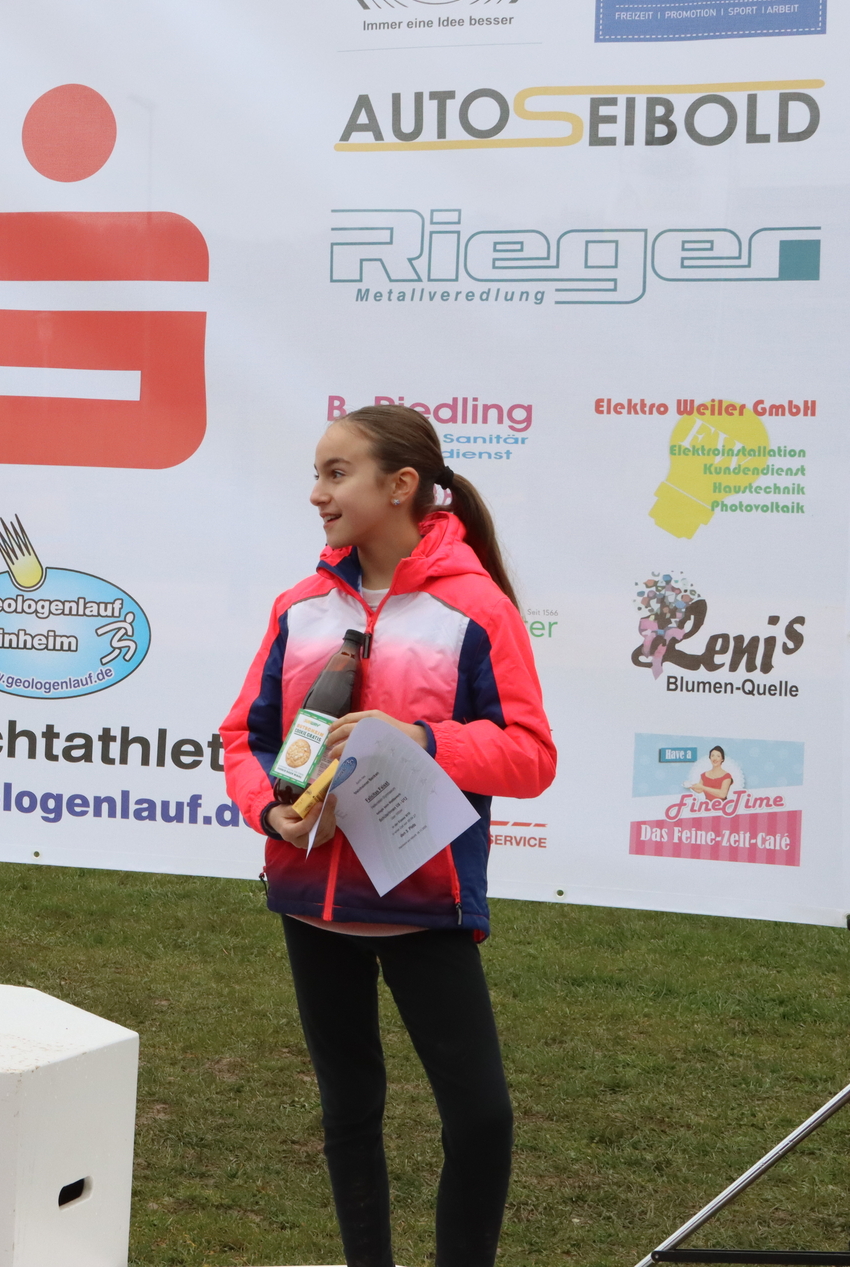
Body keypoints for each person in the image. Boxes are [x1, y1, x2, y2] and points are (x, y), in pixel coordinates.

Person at [220, 404, 555, 1267]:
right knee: (349, 1107)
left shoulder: (475, 609)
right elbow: (246, 737)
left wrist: (424, 738)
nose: (316, 493)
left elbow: (530, 755)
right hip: (310, 900)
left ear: (401, 484)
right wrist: (272, 813)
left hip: (422, 903)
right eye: (317, 473)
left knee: (480, 1117)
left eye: (336, 473)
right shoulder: (300, 607)